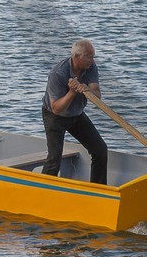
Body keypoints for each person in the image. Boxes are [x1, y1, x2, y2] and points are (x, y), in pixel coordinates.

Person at [40, 39, 108, 184]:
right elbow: (56, 108)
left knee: (100, 150)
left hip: (76, 115)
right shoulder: (58, 73)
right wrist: (72, 92)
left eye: (93, 56)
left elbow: (97, 95)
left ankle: (98, 189)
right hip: (55, 117)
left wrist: (88, 89)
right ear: (77, 57)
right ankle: (42, 191)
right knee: (54, 160)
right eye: (89, 56)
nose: (92, 60)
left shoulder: (91, 67)